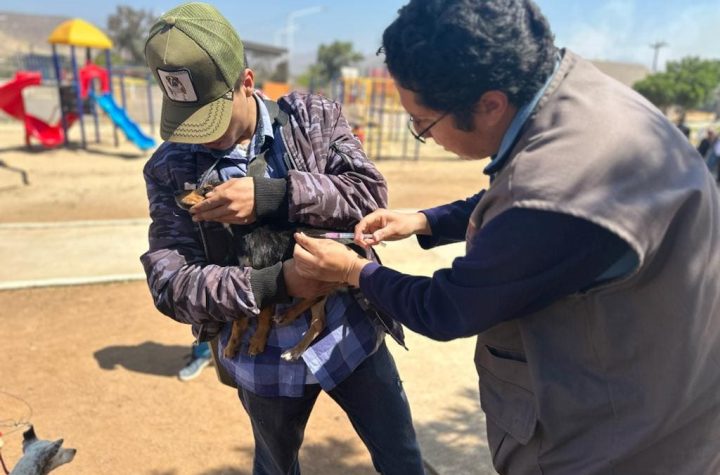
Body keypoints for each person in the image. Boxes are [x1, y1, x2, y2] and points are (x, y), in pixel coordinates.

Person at [291, 0, 720, 473]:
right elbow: (522, 201)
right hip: (673, 397)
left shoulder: (551, 196)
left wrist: (353, 271)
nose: (424, 135)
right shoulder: (577, 97)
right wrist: (425, 220)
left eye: (422, 123)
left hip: (614, 448)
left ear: (490, 105)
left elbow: (447, 308)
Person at [140, 4, 424, 475]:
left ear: (247, 83)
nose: (202, 138)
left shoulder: (312, 117)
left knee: (402, 457)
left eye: (212, 117)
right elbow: (172, 286)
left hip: (350, 334)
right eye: (187, 120)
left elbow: (370, 195)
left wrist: (274, 195)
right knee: (274, 466)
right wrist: (276, 283)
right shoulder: (170, 168)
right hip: (261, 361)